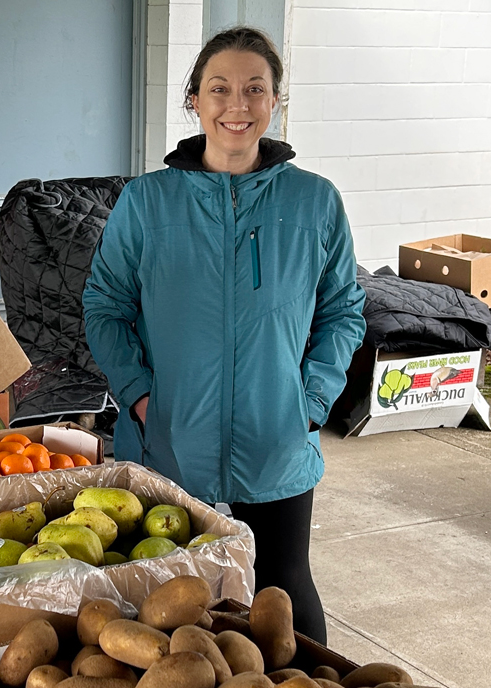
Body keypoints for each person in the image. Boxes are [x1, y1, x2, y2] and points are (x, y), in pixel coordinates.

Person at [82, 27, 365, 644]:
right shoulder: (146, 201)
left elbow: (343, 310)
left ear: (274, 102)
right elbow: (104, 306)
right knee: (164, 604)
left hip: (278, 438)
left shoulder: (315, 202)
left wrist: (311, 403)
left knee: (284, 591)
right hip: (168, 439)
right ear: (195, 101)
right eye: (220, 89)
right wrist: (139, 396)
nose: (237, 106)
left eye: (254, 89)